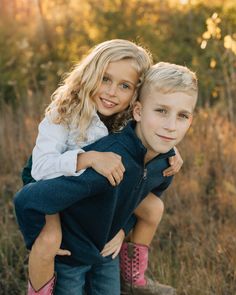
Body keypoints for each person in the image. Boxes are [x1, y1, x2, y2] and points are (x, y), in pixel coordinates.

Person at [14, 61, 198, 295]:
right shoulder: (106, 163)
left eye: (182, 116)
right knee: (49, 242)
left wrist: (122, 229)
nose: (171, 126)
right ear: (138, 111)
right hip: (72, 252)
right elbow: (27, 198)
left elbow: (140, 196)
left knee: (154, 207)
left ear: (190, 120)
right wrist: (38, 239)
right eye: (161, 111)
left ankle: (132, 279)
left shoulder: (165, 161)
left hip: (106, 249)